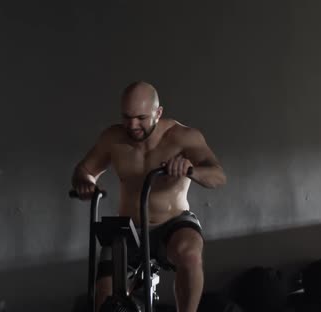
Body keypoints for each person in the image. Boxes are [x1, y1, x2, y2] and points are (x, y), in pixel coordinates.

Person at [71, 81, 226, 312]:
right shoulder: (113, 139)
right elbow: (84, 171)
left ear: (158, 112)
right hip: (130, 228)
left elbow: (218, 176)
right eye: (127, 117)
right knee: (104, 298)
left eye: (141, 118)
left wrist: (191, 170)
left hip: (173, 224)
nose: (132, 125)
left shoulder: (183, 137)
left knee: (190, 254)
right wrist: (85, 183)